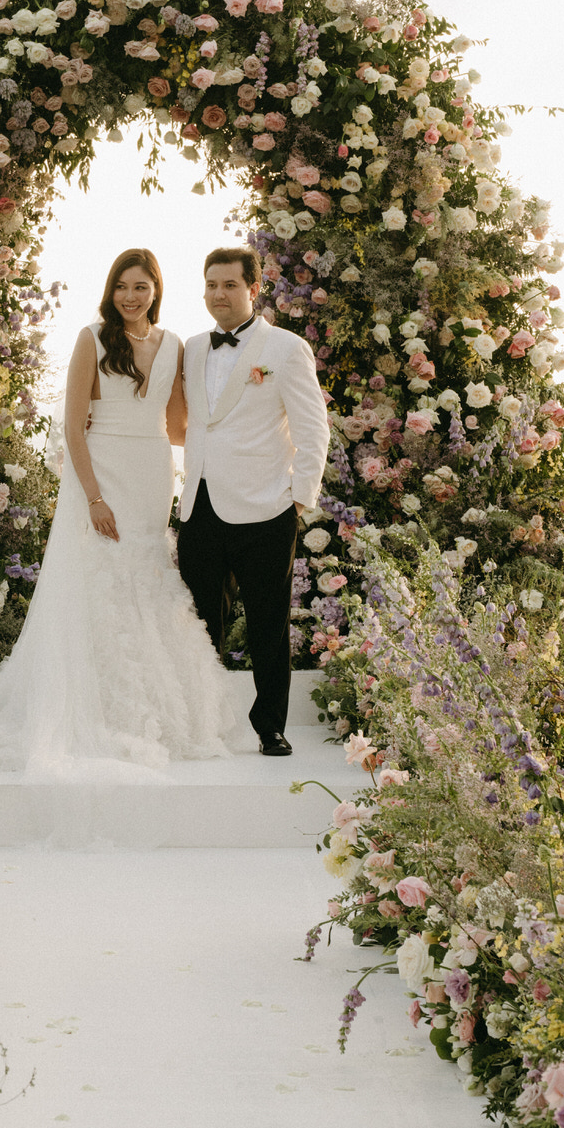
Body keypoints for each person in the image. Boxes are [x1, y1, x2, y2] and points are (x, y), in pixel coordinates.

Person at [0, 249, 238, 781]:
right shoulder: (91, 338)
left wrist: (237, 426)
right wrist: (93, 496)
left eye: (140, 287)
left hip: (153, 470)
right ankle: (93, 704)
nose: (130, 298)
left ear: (156, 290)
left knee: (147, 573)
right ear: (110, 292)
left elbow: (180, 427)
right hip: (102, 471)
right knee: (101, 577)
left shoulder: (176, 345)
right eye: (121, 288)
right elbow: (72, 427)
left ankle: (153, 707)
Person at [177, 247, 331, 756]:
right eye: (211, 285)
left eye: (229, 285)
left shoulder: (285, 349)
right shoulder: (193, 348)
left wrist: (299, 501)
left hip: (267, 509)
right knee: (199, 623)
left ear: (253, 289)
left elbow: (313, 431)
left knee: (268, 622)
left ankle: (270, 726)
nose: (218, 294)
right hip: (200, 505)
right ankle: (199, 722)